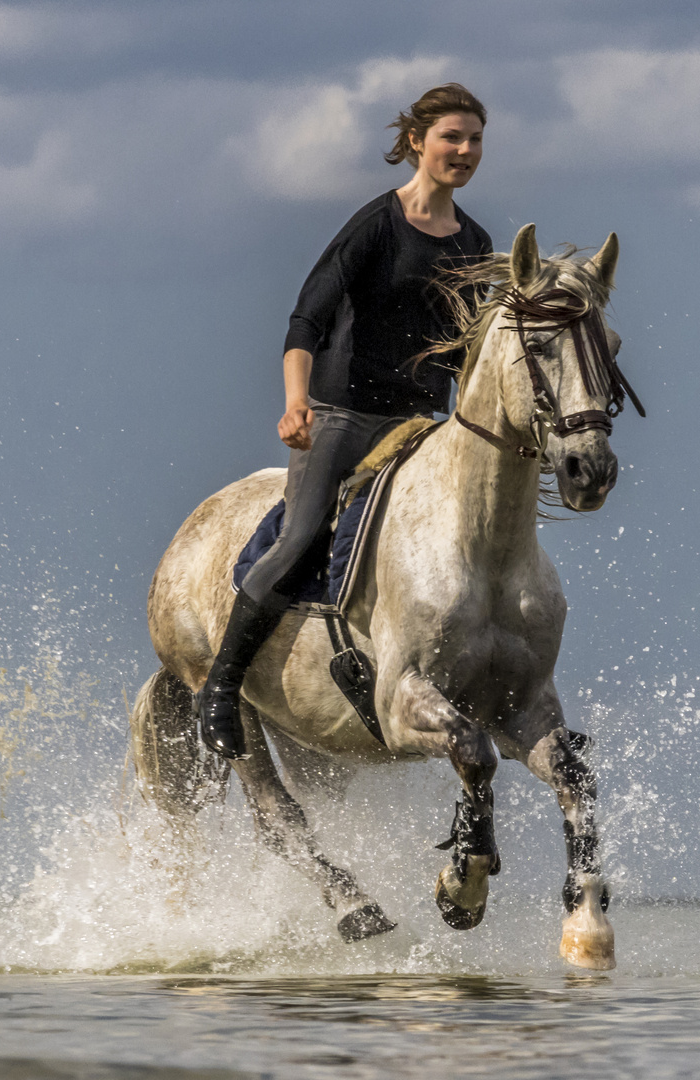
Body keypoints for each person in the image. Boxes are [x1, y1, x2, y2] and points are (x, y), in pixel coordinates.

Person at [199, 83, 495, 759]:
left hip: (420, 423)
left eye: (475, 139)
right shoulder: (377, 225)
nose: (465, 151)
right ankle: (221, 685)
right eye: (451, 137)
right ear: (416, 142)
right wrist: (295, 401)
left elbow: (471, 350)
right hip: (342, 413)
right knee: (303, 535)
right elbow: (307, 317)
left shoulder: (475, 240)